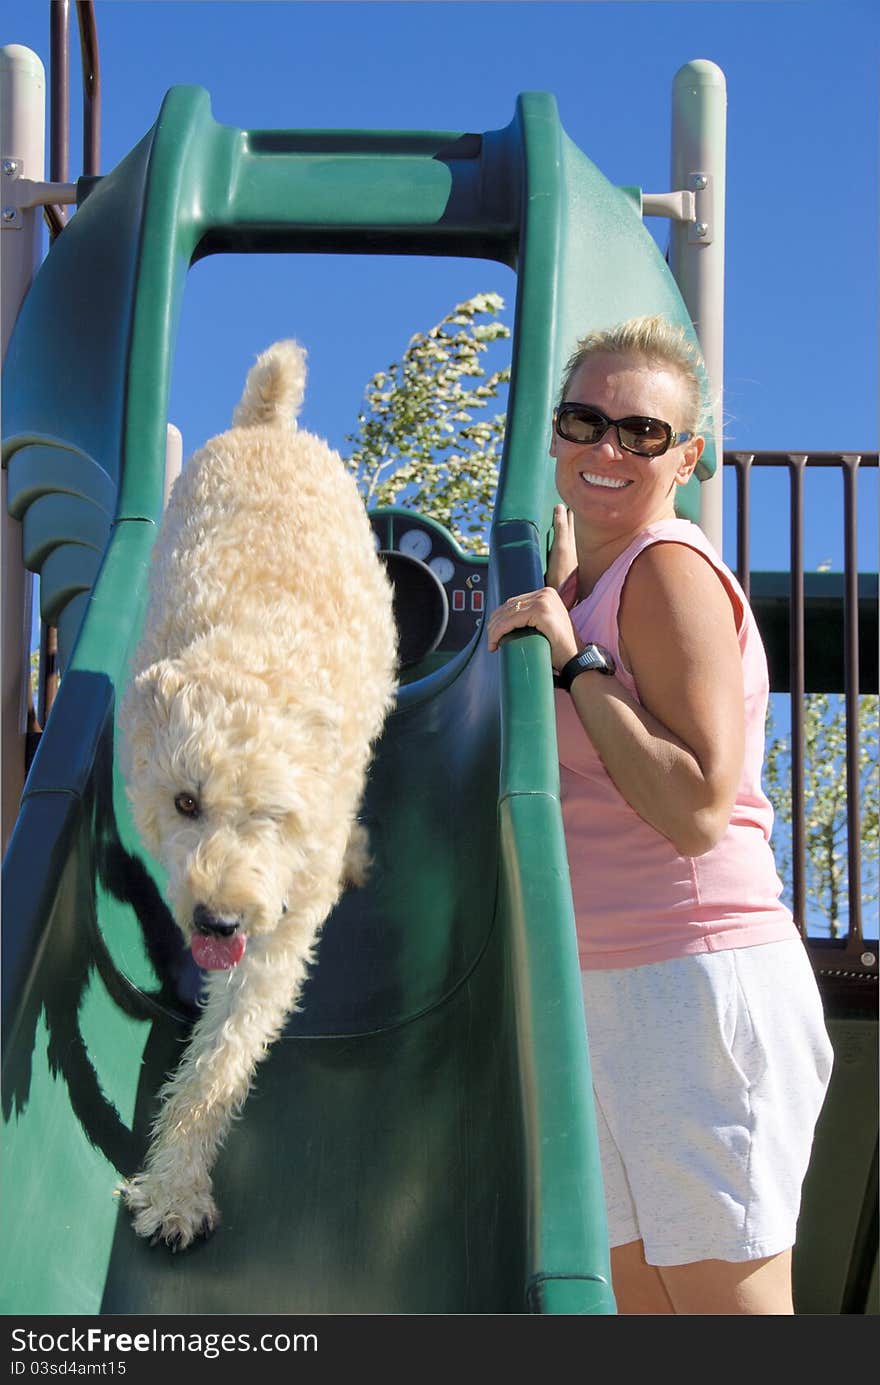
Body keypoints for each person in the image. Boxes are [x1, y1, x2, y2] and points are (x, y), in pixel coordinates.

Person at [486, 315, 834, 1315]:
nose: (605, 447)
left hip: (693, 983)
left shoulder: (665, 567)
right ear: (552, 435)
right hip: (601, 987)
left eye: (640, 432)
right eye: (583, 419)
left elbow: (693, 808)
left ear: (685, 458)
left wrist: (574, 662)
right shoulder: (582, 586)